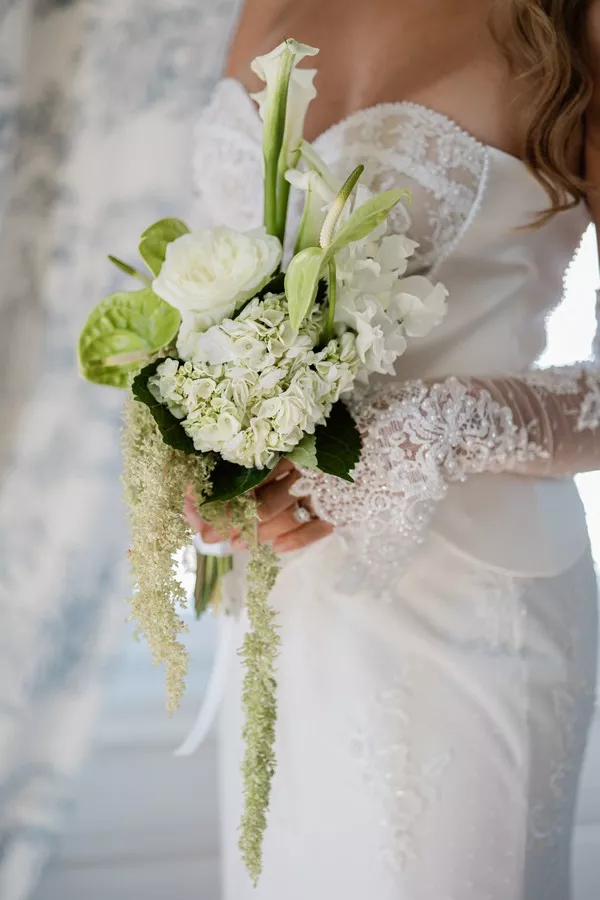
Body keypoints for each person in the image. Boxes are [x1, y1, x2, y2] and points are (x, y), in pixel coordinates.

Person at [183, 1, 600, 897]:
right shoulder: (268, 4)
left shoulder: (568, 23)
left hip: (471, 606)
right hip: (280, 608)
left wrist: (431, 427)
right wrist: (201, 450)